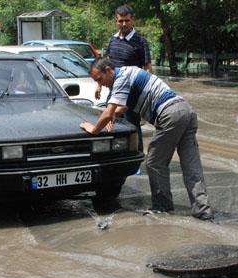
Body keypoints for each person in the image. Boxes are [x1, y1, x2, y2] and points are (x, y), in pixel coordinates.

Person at [80, 58, 214, 221]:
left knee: (154, 162)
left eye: (100, 79)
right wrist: (113, 113)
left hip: (170, 114)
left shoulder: (121, 78)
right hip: (186, 111)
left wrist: (93, 129)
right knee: (191, 165)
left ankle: (162, 207)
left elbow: (108, 112)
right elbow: (123, 107)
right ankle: (203, 211)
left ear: (109, 70)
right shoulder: (127, 73)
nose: (101, 84)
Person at [95, 4, 152, 152]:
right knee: (110, 122)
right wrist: (99, 85)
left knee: (132, 125)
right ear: (116, 21)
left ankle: (136, 156)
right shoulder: (113, 40)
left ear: (132, 20)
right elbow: (105, 65)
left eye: (127, 20)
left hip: (132, 92)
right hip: (114, 90)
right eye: (121, 21)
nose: (124, 24)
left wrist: (145, 92)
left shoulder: (140, 42)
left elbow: (147, 68)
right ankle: (115, 155)